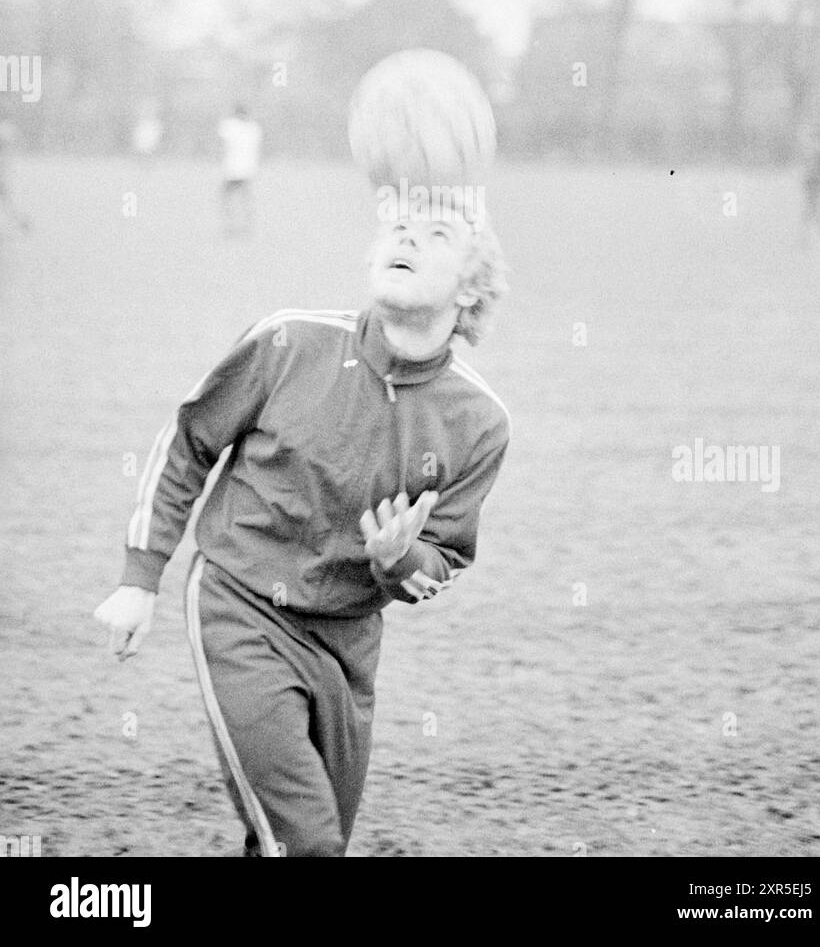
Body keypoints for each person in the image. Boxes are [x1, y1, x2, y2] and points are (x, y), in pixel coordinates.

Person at [94, 208, 510, 857]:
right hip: (239, 608)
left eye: (437, 237)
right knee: (306, 842)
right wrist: (140, 576)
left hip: (348, 646)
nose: (405, 237)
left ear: (470, 291)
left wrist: (400, 560)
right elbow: (188, 442)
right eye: (399, 228)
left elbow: (445, 562)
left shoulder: (479, 422)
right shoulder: (289, 341)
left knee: (304, 844)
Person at [217, 103, 262, 236]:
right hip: (248, 169)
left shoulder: (229, 126)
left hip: (232, 169)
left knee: (227, 197)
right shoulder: (254, 128)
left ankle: (230, 225)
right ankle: (248, 225)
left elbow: (221, 141)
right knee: (246, 198)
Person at [0, 119, 30, 233]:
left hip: (2, 178)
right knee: (9, 205)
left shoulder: (6, 129)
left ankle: (22, 223)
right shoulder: (7, 129)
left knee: (8, 205)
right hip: (3, 178)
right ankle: (22, 223)